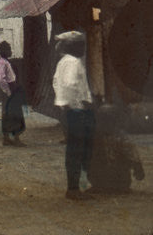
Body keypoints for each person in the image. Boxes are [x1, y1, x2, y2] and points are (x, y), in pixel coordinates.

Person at [52, 30, 95, 200]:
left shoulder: (63, 62)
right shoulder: (73, 62)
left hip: (71, 111)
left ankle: (75, 186)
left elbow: (56, 83)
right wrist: (79, 103)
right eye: (81, 45)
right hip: (78, 111)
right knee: (80, 150)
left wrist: (64, 104)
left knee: (74, 150)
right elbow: (70, 84)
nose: (83, 48)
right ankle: (75, 188)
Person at [87, 103, 145, 194]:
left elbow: (133, 157)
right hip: (101, 179)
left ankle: (109, 186)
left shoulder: (121, 137)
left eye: (108, 119)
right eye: (103, 119)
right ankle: (99, 185)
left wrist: (138, 169)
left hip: (119, 180)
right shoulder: (94, 137)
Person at [0, 40, 25, 146]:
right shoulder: (3, 63)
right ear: (3, 51)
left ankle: (7, 138)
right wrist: (8, 92)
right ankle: (16, 138)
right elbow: (1, 79)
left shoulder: (4, 62)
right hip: (10, 90)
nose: (10, 51)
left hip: (10, 89)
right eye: (8, 49)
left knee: (7, 113)